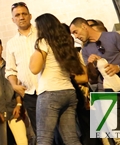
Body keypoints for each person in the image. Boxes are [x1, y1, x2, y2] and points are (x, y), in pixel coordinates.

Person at [29, 14, 85, 145]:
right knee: (71, 139)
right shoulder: (63, 44)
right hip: (68, 92)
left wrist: (34, 52)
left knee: (44, 139)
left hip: (50, 93)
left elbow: (34, 68)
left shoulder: (43, 42)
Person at [70, 17, 120, 92]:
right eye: (73, 34)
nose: (75, 36)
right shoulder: (85, 50)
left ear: (83, 26)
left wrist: (119, 67)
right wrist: (91, 65)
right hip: (106, 93)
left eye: (75, 32)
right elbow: (92, 79)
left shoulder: (113, 36)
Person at [4, 3, 39, 136]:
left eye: (24, 14)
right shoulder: (11, 43)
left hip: (49, 90)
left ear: (30, 16)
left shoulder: (41, 34)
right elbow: (10, 70)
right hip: (29, 94)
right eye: (17, 15)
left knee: (61, 132)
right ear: (13, 20)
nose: (21, 17)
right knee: (40, 133)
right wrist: (14, 85)